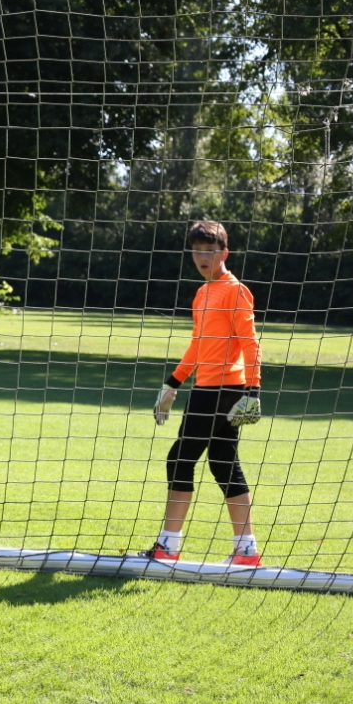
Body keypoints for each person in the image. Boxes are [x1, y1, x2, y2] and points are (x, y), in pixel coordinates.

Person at [145, 220, 263, 566]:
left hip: (226, 389)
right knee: (224, 464)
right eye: (196, 251)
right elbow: (198, 346)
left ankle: (168, 546)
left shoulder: (236, 290)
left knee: (180, 458)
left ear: (223, 253)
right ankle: (247, 551)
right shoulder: (202, 293)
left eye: (208, 251)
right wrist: (172, 384)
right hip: (205, 388)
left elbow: (250, 343)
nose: (201, 257)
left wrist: (253, 390)